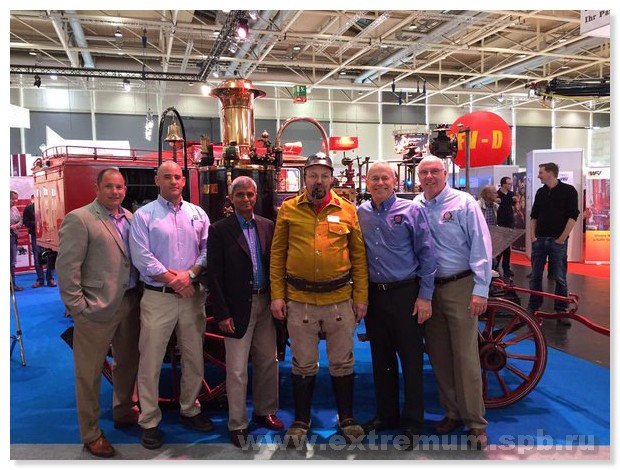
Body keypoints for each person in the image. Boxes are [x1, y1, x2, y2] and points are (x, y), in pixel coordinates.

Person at [270, 153, 369, 446]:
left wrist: (361, 297)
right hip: (299, 301)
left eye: (324, 175)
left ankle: (346, 418)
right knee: (302, 364)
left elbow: (359, 257)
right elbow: (277, 255)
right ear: (305, 178)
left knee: (342, 362)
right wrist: (277, 295)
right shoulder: (288, 210)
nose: (319, 181)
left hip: (339, 301)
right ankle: (301, 420)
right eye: (313, 175)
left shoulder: (348, 210)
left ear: (332, 179)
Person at [56, 168, 141, 458]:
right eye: (109, 186)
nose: (115, 192)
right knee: (89, 373)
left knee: (127, 363)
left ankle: (124, 411)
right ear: (97, 188)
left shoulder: (131, 218)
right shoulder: (79, 219)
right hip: (95, 309)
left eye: (120, 187)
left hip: (130, 303)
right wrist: (78, 307)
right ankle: (91, 433)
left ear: (125, 190)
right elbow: (67, 268)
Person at [129, 160, 214, 450]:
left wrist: (190, 275)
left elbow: (207, 250)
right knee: (150, 360)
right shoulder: (144, 216)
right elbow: (142, 257)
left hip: (191, 297)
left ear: (184, 180)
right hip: (158, 297)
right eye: (167, 177)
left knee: (194, 357)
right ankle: (149, 420)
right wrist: (176, 280)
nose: (173, 181)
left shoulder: (198, 214)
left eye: (177, 176)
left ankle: (190, 409)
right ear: (157, 181)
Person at [413, 156, 493, 450]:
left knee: (465, 357)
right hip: (429, 290)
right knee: (439, 356)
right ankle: (452, 412)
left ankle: (475, 422)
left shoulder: (463, 203)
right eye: (424, 172)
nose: (429, 176)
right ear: (418, 177)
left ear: (445, 174)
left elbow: (481, 245)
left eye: (435, 171)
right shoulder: (416, 205)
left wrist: (481, 289)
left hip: (460, 285)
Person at [357, 162, 436, 449]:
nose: (380, 183)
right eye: (374, 178)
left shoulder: (412, 210)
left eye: (384, 178)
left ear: (394, 181)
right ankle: (386, 415)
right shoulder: (361, 213)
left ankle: (413, 422)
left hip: (407, 295)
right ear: (366, 182)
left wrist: (425, 296)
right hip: (375, 297)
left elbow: (427, 255)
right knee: (382, 360)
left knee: (411, 361)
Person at [206, 176, 283, 448]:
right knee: (237, 369)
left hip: (265, 303)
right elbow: (214, 276)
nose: (246, 199)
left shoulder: (267, 226)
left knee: (268, 361)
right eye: (240, 194)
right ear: (231, 198)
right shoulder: (219, 230)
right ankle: (237, 423)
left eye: (250, 194)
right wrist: (222, 313)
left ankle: (265, 411)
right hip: (237, 308)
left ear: (256, 196)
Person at [527, 162, 580, 327]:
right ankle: (533, 306)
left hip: (557, 241)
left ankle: (561, 310)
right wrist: (533, 237)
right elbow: (534, 216)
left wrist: (562, 238)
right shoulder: (540, 192)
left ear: (550, 173)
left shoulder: (569, 191)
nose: (538, 175)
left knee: (560, 277)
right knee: (535, 276)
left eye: (541, 172)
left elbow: (573, 216)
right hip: (540, 241)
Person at [22, 195, 57, 288]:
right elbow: (25, 222)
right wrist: (37, 223)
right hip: (36, 236)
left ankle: (50, 279)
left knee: (51, 257)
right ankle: (40, 280)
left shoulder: (50, 207)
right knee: (37, 258)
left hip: (49, 235)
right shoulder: (29, 209)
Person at [496, 177, 517, 277]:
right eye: (509, 184)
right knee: (499, 247)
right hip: (499, 223)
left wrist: (515, 201)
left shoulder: (511, 194)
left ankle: (506, 268)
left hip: (509, 223)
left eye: (511, 184)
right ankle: (495, 267)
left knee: (507, 248)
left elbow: (513, 206)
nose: (511, 185)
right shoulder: (497, 194)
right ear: (503, 184)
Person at [477, 185, 500, 272]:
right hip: (481, 238)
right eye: (495, 193)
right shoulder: (477, 206)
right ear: (488, 194)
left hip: (493, 237)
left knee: (493, 260)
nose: (497, 195)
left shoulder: (495, 206)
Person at [10, 190, 24, 291]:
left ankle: (12, 285)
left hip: (14, 236)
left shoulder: (15, 209)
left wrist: (16, 226)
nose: (15, 201)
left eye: (16, 199)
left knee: (12, 262)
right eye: (13, 199)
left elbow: (21, 220)